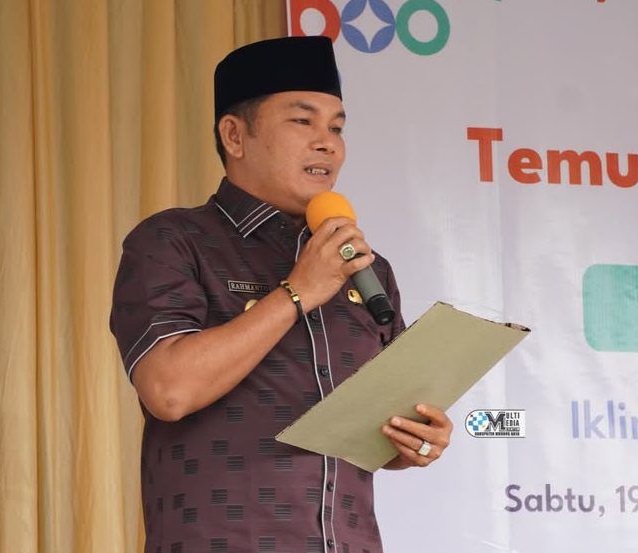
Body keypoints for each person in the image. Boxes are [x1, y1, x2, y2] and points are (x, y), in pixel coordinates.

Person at [110, 36, 453, 553]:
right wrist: (298, 292)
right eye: (302, 121)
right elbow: (168, 390)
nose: (327, 144)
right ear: (235, 135)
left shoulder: (365, 267)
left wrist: (415, 440)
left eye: (337, 127)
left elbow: (379, 429)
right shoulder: (173, 241)